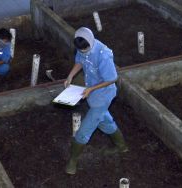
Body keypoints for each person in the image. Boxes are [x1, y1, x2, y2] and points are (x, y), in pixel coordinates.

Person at [64, 27, 128, 175]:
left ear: (91, 43)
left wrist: (91, 89)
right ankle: (122, 146)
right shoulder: (82, 46)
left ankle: (73, 160)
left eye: (86, 50)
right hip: (92, 92)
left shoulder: (103, 55)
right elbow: (80, 61)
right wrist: (70, 76)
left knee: (84, 130)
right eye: (81, 50)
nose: (83, 52)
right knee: (104, 120)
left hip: (104, 94)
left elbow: (112, 78)